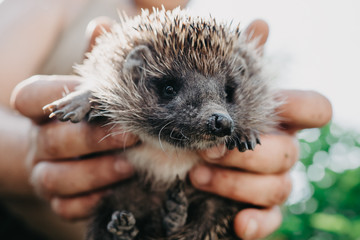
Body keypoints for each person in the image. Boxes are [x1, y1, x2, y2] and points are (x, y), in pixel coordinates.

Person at [1, 0, 332, 239]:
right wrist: (28, 155)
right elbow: (103, 88)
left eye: (227, 94)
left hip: (195, 202)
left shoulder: (222, 39)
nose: (216, 115)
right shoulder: (57, 6)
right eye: (170, 88)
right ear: (135, 69)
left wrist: (262, 152)